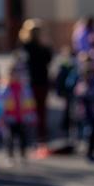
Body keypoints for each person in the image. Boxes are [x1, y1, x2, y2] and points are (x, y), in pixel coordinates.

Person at [18, 19, 55, 149]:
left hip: (41, 81)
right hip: (31, 82)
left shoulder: (40, 46)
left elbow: (49, 59)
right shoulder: (26, 46)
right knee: (30, 110)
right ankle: (32, 135)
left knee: (41, 109)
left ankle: (41, 135)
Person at [4, 57, 38, 163]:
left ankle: (23, 155)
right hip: (10, 117)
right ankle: (10, 156)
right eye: (13, 74)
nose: (16, 76)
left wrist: (31, 114)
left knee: (23, 136)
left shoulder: (24, 88)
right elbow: (0, 103)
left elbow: (30, 102)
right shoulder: (5, 88)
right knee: (10, 137)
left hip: (22, 117)